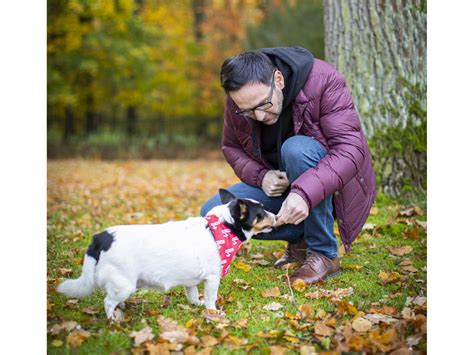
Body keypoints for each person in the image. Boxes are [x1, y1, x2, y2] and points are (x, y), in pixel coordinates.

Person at [200, 46, 376, 284]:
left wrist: (304, 193)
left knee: (296, 149)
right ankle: (301, 240)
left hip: (334, 188)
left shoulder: (323, 80)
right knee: (213, 211)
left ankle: (324, 253)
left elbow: (350, 149)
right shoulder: (240, 99)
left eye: (264, 104)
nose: (260, 116)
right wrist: (262, 176)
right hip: (284, 187)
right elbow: (231, 147)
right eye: (248, 111)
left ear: (278, 79)